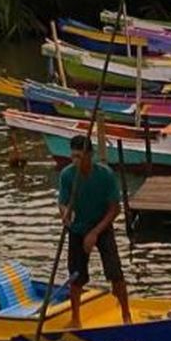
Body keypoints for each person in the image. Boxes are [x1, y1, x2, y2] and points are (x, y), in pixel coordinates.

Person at [58, 134, 131, 329]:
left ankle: (126, 315)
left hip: (102, 226)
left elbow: (115, 209)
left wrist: (95, 233)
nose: (75, 161)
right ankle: (76, 318)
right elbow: (63, 203)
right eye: (72, 156)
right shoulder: (67, 175)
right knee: (76, 275)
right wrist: (65, 214)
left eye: (79, 157)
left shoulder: (104, 175)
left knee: (115, 272)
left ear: (89, 155)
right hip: (78, 228)